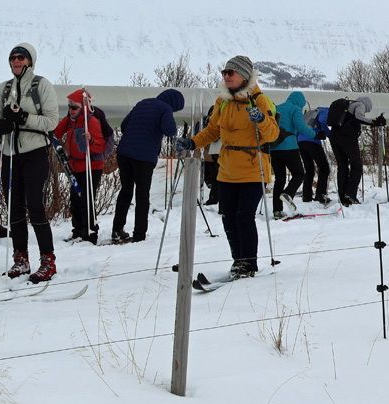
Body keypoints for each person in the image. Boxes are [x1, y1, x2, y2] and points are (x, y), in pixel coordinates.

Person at [177, 56, 280, 279]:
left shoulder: (259, 100)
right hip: (227, 169)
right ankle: (238, 261)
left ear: (244, 75)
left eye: (230, 73)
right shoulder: (222, 101)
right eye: (224, 72)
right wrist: (192, 143)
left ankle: (248, 264)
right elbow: (212, 130)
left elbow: (272, 134)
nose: (226, 76)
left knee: (244, 216)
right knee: (228, 217)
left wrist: (261, 119)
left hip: (253, 168)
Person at [0, 43, 61, 283]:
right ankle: (21, 259)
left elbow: (51, 121)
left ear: (30, 61)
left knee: (35, 205)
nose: (16, 61)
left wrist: (23, 117)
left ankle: (48, 260)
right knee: (14, 207)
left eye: (21, 57)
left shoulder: (42, 85)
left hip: (35, 152)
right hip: (10, 153)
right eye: (13, 58)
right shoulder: (4, 88)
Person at [110, 89, 185, 242]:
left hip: (124, 153)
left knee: (126, 191)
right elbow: (170, 130)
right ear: (173, 104)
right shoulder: (165, 109)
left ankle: (117, 229)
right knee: (142, 194)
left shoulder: (142, 103)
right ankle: (139, 234)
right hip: (144, 157)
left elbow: (124, 125)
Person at [54, 89, 107, 244]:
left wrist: (91, 141)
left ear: (82, 108)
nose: (70, 110)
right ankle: (78, 231)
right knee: (75, 201)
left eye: (74, 107)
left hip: (91, 167)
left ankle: (90, 234)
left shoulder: (91, 122)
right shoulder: (71, 120)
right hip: (75, 167)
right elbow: (56, 132)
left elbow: (100, 146)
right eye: (69, 106)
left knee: (86, 201)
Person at [327, 96, 386, 205]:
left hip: (334, 137)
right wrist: (374, 122)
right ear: (366, 105)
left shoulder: (348, 106)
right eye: (366, 111)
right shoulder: (360, 104)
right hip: (347, 137)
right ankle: (350, 195)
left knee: (342, 167)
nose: (365, 112)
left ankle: (343, 197)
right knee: (357, 166)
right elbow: (359, 117)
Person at [270, 91, 316, 217]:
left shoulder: (277, 107)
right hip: (289, 147)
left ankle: (277, 211)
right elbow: (300, 127)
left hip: (274, 148)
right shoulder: (295, 109)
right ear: (300, 102)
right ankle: (288, 193)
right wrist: (315, 134)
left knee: (279, 179)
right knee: (299, 174)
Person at [296, 106, 331, 204]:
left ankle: (306, 196)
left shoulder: (308, 113)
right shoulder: (324, 110)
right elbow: (322, 120)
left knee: (309, 169)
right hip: (313, 141)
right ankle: (320, 195)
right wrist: (328, 133)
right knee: (324, 168)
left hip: (300, 142)